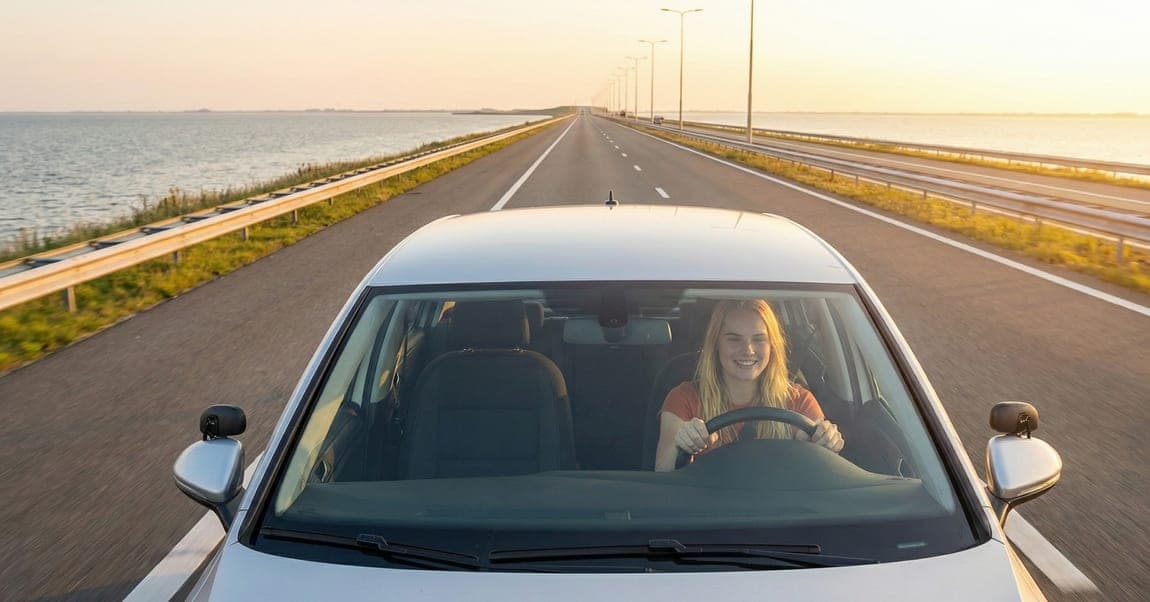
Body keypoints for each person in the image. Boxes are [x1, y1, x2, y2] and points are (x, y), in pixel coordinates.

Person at [654, 299, 844, 472]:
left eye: (759, 339)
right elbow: (663, 474)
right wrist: (683, 446)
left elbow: (821, 475)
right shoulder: (684, 398)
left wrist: (825, 441)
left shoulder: (799, 401)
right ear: (716, 343)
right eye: (734, 339)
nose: (748, 350)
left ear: (772, 345)